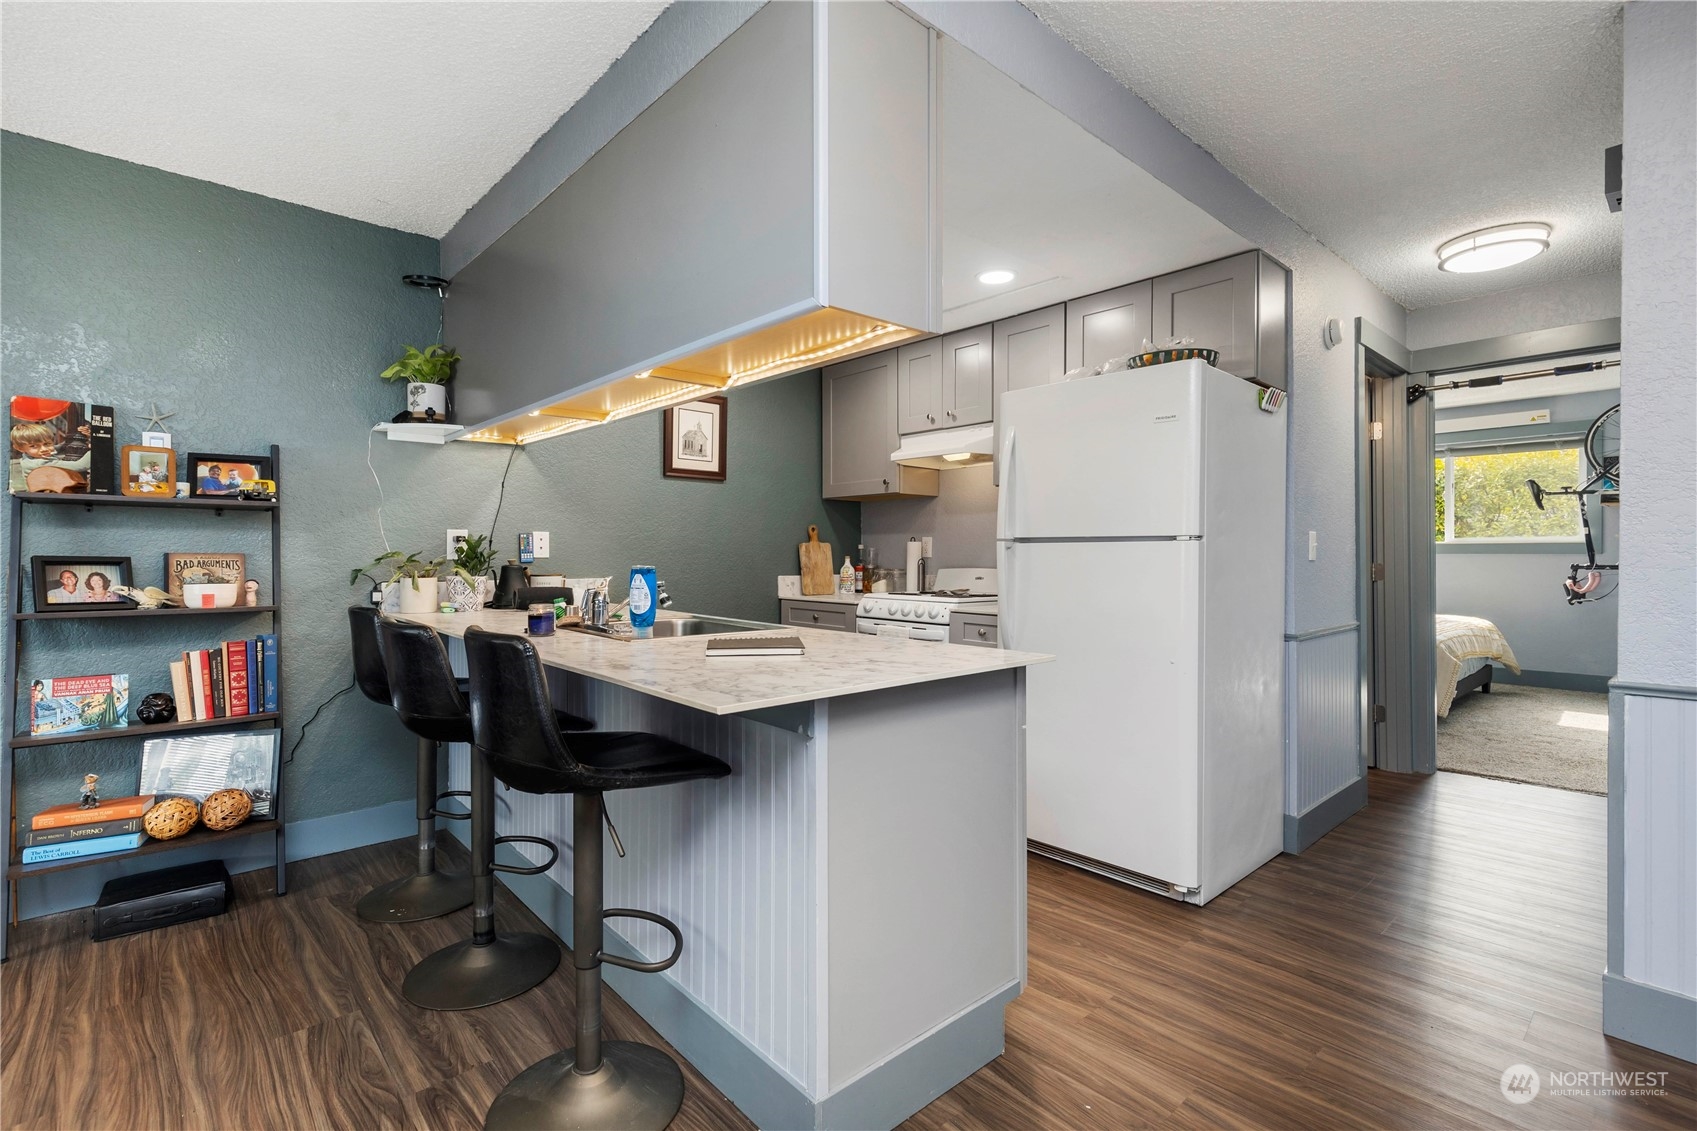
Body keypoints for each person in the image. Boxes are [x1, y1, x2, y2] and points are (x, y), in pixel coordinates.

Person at [9, 420, 91, 493]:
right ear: (20, 448)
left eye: (47, 444)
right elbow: (80, 465)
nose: (44, 449)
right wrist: (97, 446)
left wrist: (81, 435)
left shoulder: (29, 456)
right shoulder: (41, 462)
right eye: (33, 446)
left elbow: (62, 447)